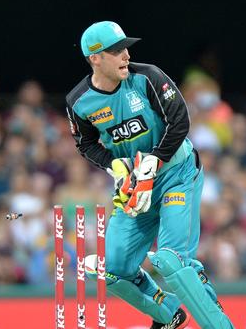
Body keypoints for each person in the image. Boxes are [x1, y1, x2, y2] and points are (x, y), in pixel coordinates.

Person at [65, 21, 234, 329]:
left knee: (172, 261)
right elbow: (85, 144)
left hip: (176, 174)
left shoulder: (148, 77)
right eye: (116, 51)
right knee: (110, 269)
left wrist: (154, 161)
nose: (125, 55)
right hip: (135, 188)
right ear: (95, 58)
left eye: (125, 48)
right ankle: (167, 314)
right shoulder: (79, 102)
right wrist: (113, 165)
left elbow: (180, 122)